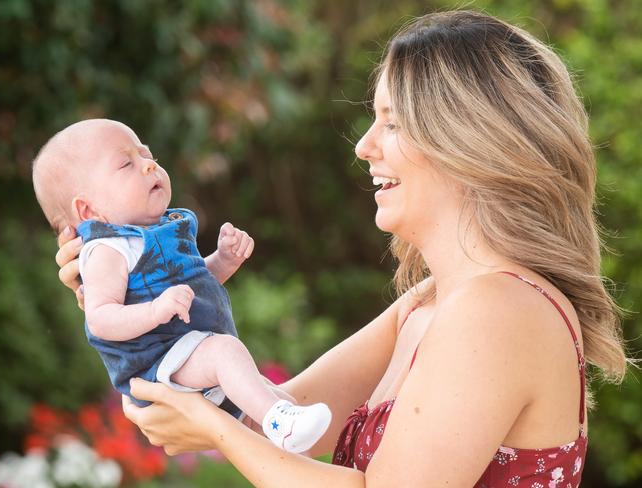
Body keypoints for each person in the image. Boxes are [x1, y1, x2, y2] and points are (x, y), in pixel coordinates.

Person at [54, 10, 628, 487]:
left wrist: (213, 428)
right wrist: (122, 287)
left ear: (469, 141)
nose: (363, 147)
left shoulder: (500, 310)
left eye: (391, 122)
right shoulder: (426, 307)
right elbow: (277, 417)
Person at [33, 119, 332, 454]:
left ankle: (295, 442)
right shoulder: (108, 249)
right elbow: (100, 319)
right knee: (227, 355)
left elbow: (189, 286)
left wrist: (222, 261)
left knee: (276, 398)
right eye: (126, 164)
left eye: (149, 156)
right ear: (88, 210)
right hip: (158, 362)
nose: (149, 165)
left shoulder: (163, 229)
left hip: (188, 352)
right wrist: (155, 310)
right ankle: (281, 425)